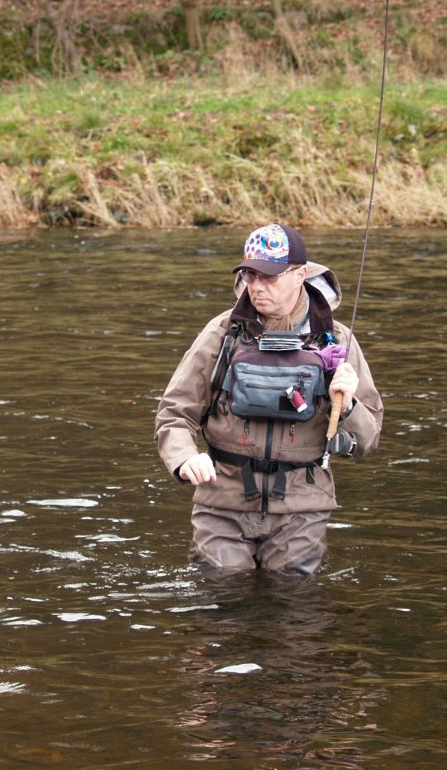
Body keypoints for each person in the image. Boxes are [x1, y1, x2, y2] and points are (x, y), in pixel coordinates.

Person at [155, 223, 383, 576]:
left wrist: (349, 405)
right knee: (221, 591)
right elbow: (174, 414)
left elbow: (368, 441)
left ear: (300, 275)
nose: (257, 286)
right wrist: (184, 458)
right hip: (222, 503)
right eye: (250, 275)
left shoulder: (338, 341)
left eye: (269, 276)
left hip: (302, 510)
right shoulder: (222, 333)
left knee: (292, 600)